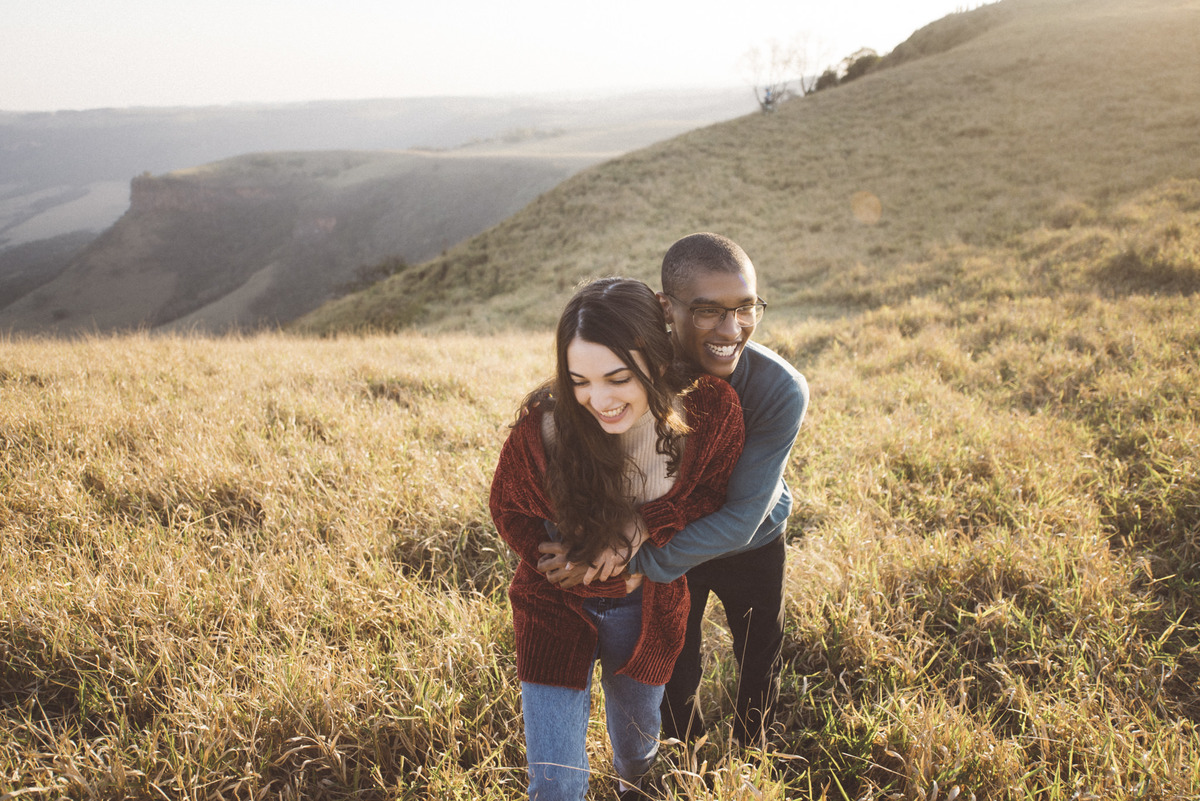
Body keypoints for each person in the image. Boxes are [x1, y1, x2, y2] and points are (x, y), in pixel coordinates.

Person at [540, 233, 809, 750]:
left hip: (748, 546)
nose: (732, 329)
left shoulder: (779, 389)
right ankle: (687, 755)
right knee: (674, 664)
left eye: (747, 308)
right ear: (667, 307)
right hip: (665, 547)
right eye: (708, 310)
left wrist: (627, 560)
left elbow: (743, 516)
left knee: (758, 652)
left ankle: (755, 747)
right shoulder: (634, 372)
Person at [489, 277, 745, 800]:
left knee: (638, 753)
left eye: (618, 377)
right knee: (555, 782)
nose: (598, 400)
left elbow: (713, 494)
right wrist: (558, 560)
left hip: (645, 604)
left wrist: (645, 524)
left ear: (656, 357)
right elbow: (507, 505)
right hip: (553, 604)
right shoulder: (546, 427)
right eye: (578, 380)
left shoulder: (710, 411)